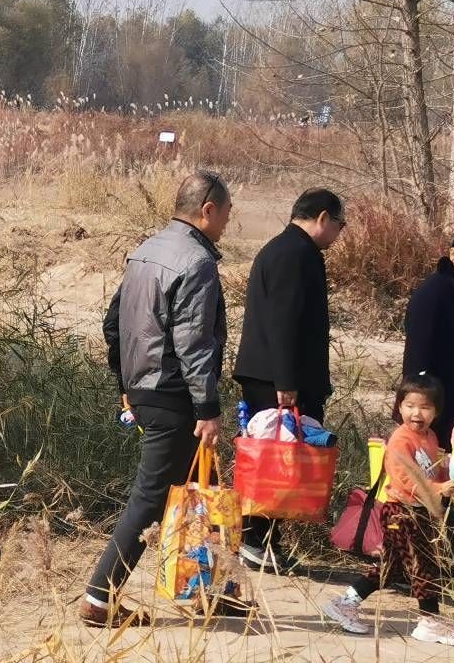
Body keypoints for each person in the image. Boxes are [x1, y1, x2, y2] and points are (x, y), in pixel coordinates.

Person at [87, 170, 242, 627]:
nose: (228, 223)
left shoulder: (145, 251)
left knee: (203, 488)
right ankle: (99, 597)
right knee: (151, 497)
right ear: (208, 210)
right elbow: (194, 343)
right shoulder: (196, 263)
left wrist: (125, 383)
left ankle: (210, 588)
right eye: (227, 214)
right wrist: (207, 408)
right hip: (173, 396)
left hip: (144, 388)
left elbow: (113, 324)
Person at [231, 187, 346, 572]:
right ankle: (254, 539)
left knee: (282, 460)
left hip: (276, 375)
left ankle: (266, 541)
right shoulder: (295, 254)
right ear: (323, 218)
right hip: (277, 380)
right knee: (273, 460)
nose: (338, 234)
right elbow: (284, 320)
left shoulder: (288, 249)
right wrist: (286, 380)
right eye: (339, 225)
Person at [320, 375, 454, 644]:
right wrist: (436, 489)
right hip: (400, 511)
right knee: (423, 564)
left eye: (425, 407)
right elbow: (405, 478)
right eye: (410, 405)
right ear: (399, 407)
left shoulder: (429, 437)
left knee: (390, 567)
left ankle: (345, 603)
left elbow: (429, 468)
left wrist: (449, 469)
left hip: (417, 510)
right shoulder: (401, 440)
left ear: (436, 412)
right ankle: (429, 621)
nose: (416, 413)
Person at [403, 226, 454, 444]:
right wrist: (419, 411)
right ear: (453, 255)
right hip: (436, 408)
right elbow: (417, 359)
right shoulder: (433, 294)